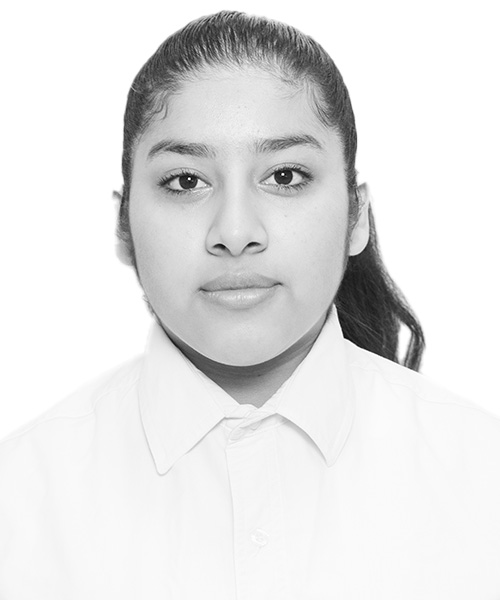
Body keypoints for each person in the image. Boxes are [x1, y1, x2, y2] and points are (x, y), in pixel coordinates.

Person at [1, 10, 499, 599]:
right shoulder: (21, 500)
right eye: (186, 181)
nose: (235, 232)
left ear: (356, 216)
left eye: (285, 176)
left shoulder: (481, 476)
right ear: (123, 224)